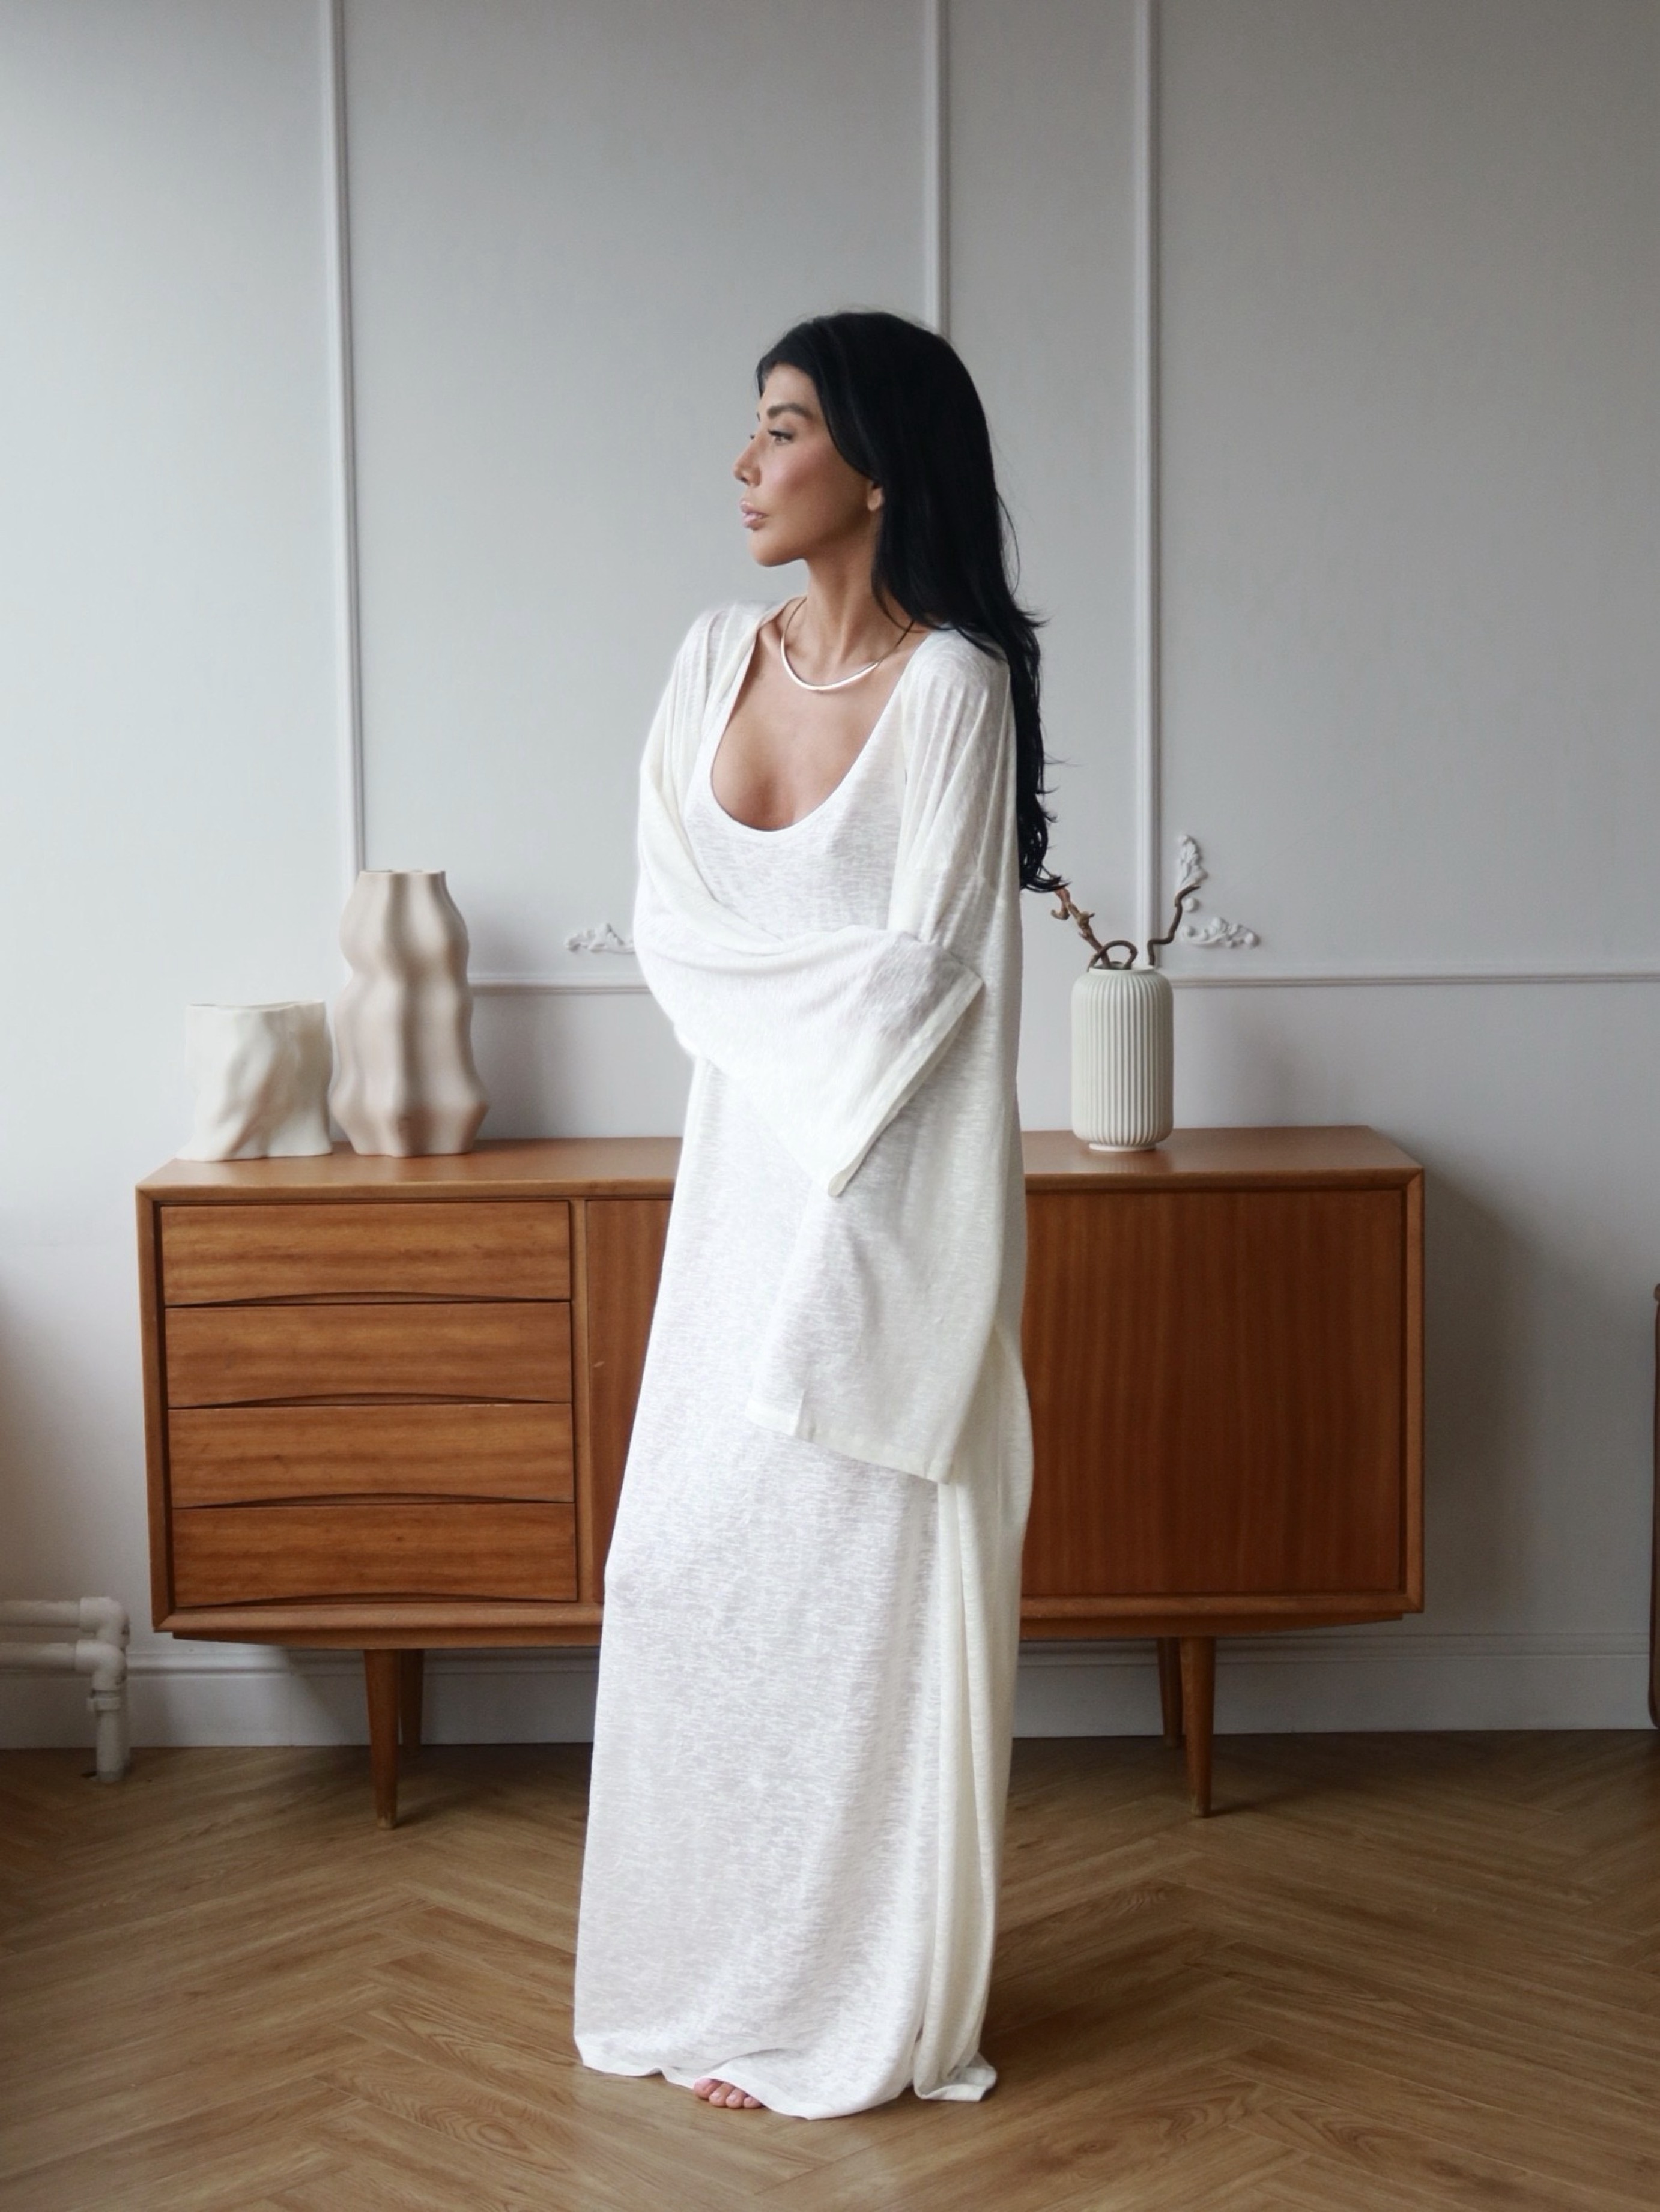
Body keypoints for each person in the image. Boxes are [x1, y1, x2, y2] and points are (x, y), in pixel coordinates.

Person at [572, 309, 1054, 2120]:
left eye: (782, 428)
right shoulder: (712, 659)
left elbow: (929, 977)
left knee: (847, 1604)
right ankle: (711, 1974)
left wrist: (805, 1032)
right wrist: (805, 1002)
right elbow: (669, 929)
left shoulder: (955, 692)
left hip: (883, 1196)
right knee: (686, 1580)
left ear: (876, 464)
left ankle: (832, 2004)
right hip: (735, 1196)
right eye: (756, 425)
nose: (745, 461)